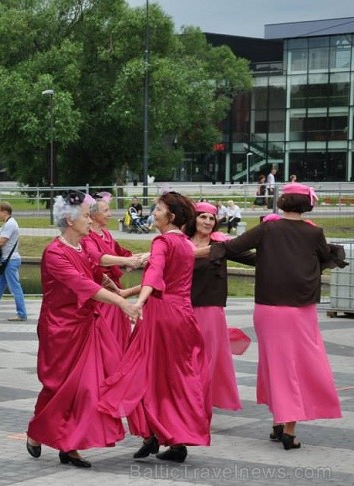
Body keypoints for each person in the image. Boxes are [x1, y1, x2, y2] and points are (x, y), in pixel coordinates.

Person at [199, 183, 343, 450]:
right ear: (308, 204)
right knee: (297, 366)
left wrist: (190, 252)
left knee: (274, 363)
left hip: (267, 309)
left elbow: (230, 247)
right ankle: (288, 428)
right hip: (301, 309)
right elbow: (326, 258)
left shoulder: (268, 228)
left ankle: (279, 422)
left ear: (283, 201)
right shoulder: (314, 233)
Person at [26, 192, 141, 468]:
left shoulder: (80, 247)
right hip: (60, 329)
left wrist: (119, 290)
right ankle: (38, 429)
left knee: (87, 388)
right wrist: (121, 303)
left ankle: (70, 445)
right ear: (70, 219)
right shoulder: (55, 253)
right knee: (58, 387)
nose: (91, 221)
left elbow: (95, 272)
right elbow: (83, 285)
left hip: (86, 325)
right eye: (87, 215)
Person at [98, 191, 211, 464]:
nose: (154, 213)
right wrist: (132, 294)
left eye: (158, 209)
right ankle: (172, 438)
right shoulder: (184, 243)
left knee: (142, 372)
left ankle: (154, 434)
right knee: (173, 377)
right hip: (183, 315)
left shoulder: (162, 241)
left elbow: (155, 274)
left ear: (170, 216)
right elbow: (164, 275)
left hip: (160, 315)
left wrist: (140, 301)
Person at [184, 202, 254, 411]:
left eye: (211, 218)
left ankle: (200, 403)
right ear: (194, 218)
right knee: (185, 357)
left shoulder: (221, 245)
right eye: (203, 217)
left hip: (210, 309)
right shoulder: (181, 242)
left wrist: (288, 254)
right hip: (182, 308)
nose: (207, 221)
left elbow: (253, 258)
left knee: (207, 358)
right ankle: (186, 399)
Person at [82, 192, 146, 352]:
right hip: (101, 290)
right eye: (106, 211)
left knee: (119, 333)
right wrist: (127, 261)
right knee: (106, 333)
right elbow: (98, 258)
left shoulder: (107, 234)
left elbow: (121, 252)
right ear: (94, 215)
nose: (110, 214)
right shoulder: (87, 237)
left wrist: (139, 258)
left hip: (115, 288)